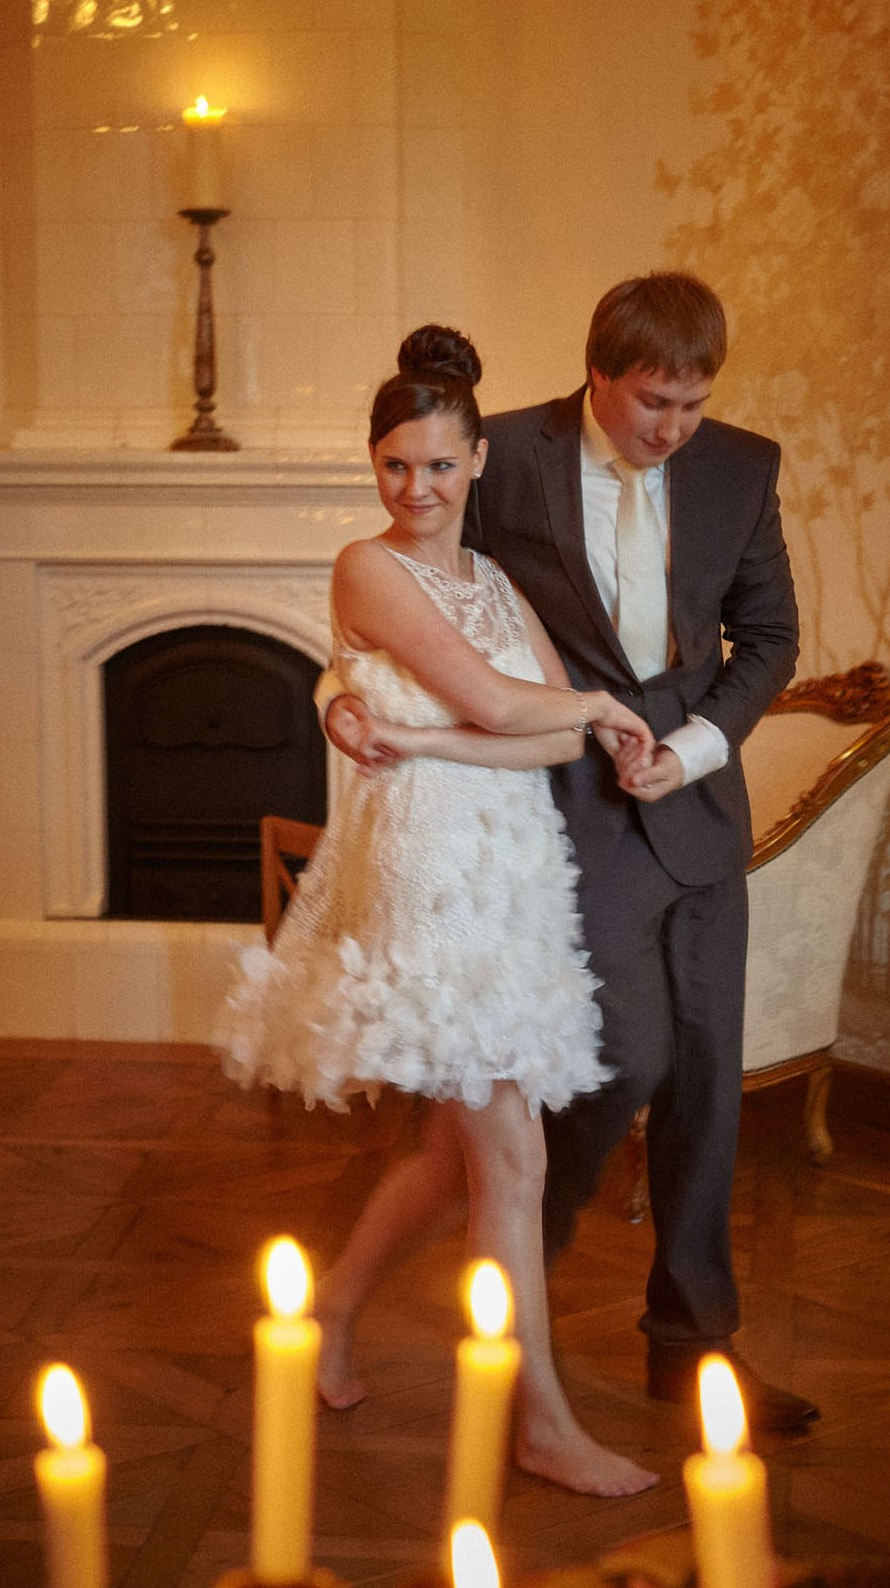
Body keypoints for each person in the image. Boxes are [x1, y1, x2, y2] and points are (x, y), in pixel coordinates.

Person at [329, 276, 817, 1431]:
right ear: (598, 374)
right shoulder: (495, 453)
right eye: (652, 402)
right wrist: (334, 695)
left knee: (706, 1080)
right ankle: (511, 1283)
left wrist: (692, 749)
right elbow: (408, 599)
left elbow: (770, 638)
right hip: (560, 816)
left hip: (694, 804)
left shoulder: (741, 467)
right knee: (619, 1059)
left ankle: (692, 1343)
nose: (673, 428)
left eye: (694, 403)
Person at [220, 326, 660, 1497]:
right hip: (426, 867)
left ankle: (328, 1314)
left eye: (437, 465)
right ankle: (539, 1420)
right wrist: (581, 708)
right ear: (374, 464)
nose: (414, 488)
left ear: (476, 462)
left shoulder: (495, 582)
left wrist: (431, 736)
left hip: (509, 869)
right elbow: (506, 705)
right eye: (393, 464)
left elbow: (548, 735)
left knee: (446, 1156)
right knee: (511, 1156)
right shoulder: (368, 567)